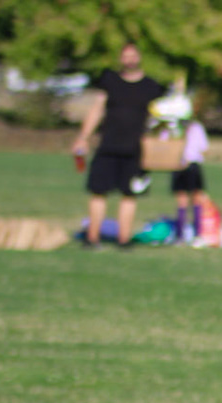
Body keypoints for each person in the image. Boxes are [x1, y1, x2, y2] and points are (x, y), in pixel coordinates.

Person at [72, 42, 166, 249]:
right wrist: (83, 137)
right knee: (98, 192)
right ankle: (92, 238)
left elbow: (159, 119)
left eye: (133, 55)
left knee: (130, 194)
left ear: (139, 57)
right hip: (108, 146)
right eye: (126, 56)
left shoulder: (151, 87)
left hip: (135, 150)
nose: (129, 59)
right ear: (120, 58)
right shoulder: (110, 81)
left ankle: (124, 240)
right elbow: (97, 110)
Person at [171, 115, 210, 243]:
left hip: (178, 164)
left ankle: (181, 235)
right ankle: (196, 234)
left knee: (183, 200)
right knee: (195, 199)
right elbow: (204, 148)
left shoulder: (173, 126)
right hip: (191, 164)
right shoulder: (196, 127)